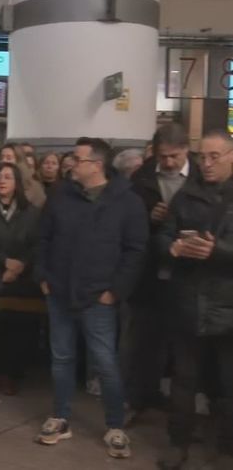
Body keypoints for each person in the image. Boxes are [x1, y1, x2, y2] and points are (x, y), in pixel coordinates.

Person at [34, 137, 148, 459]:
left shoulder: (126, 201)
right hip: (59, 291)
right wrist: (43, 276)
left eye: (77, 158)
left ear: (96, 165)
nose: (71, 163)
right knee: (62, 358)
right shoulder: (60, 196)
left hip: (99, 296)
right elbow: (42, 238)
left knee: (105, 363)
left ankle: (114, 424)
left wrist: (115, 291)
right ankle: (60, 416)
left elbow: (135, 250)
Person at [155, 130, 233, 470]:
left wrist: (217, 252)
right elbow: (163, 234)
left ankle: (226, 446)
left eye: (215, 156)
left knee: (228, 383)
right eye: (203, 156)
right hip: (187, 300)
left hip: (228, 304)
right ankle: (178, 443)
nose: (207, 163)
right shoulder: (187, 195)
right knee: (184, 380)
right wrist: (171, 247)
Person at [125, 124, 196, 426]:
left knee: (183, 348)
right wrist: (148, 216)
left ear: (186, 151)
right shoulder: (141, 179)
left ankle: (187, 413)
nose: (168, 163)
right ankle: (138, 397)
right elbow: (127, 221)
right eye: (163, 157)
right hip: (148, 274)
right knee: (141, 342)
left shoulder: (201, 179)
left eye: (174, 156)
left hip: (190, 274)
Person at [0, 163, 44, 396]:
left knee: (15, 329)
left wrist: (19, 265)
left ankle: (10, 375)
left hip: (20, 278)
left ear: (17, 183)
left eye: (8, 177)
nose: (2, 181)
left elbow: (36, 244)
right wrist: (4, 262)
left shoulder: (31, 212)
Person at [0, 143, 46, 208]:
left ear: (19, 161)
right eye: (1, 158)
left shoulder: (32, 186)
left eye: (8, 158)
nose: (4, 161)